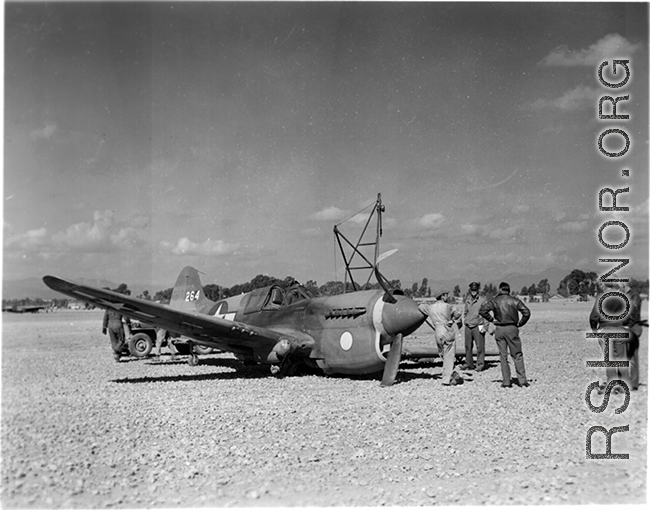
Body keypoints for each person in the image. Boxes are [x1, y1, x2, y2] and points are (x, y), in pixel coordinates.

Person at [589, 282, 641, 392]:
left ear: (606, 286)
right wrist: (627, 326)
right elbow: (633, 313)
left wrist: (595, 331)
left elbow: (593, 317)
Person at [479, 282, 531, 387]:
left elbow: (483, 310)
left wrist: (492, 319)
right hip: (512, 328)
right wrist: (520, 323)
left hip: (500, 329)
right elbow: (527, 312)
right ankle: (522, 381)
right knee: (517, 354)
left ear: (500, 290)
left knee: (503, 356)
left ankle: (506, 382)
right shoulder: (515, 300)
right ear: (509, 290)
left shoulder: (495, 301)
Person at [419, 289, 463, 386]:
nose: (447, 296)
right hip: (447, 329)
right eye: (446, 295)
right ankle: (447, 378)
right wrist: (453, 321)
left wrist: (422, 303)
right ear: (442, 296)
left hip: (437, 331)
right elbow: (458, 314)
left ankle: (449, 372)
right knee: (449, 354)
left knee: (442, 353)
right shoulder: (448, 306)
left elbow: (421, 307)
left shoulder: (431, 308)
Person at [460, 282, 487, 371]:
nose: (473, 291)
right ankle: (469, 363)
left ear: (478, 290)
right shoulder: (467, 299)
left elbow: (486, 314)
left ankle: (480, 364)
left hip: (478, 325)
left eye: (475, 290)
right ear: (470, 290)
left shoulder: (482, 300)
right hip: (468, 325)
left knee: (480, 346)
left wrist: (485, 326)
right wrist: (465, 320)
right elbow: (465, 311)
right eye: (472, 290)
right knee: (468, 346)